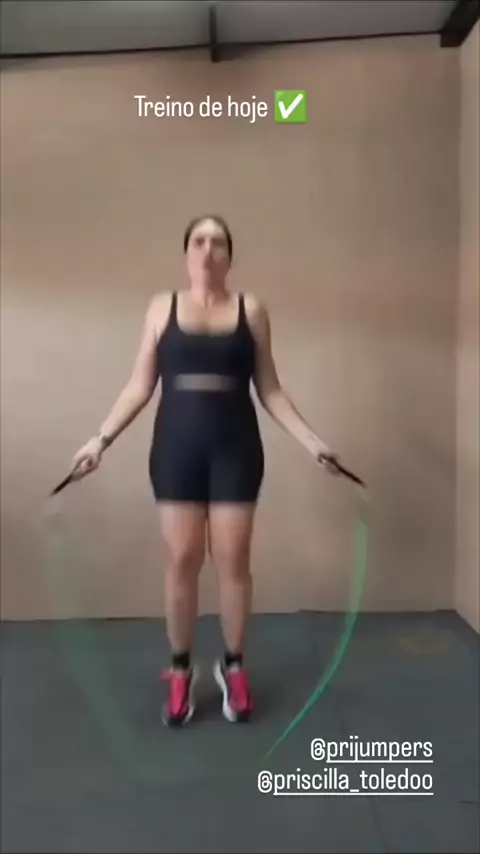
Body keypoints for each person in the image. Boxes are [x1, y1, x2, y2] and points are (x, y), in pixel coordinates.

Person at [70, 215, 341, 727]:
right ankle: (180, 669)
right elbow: (139, 386)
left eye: (218, 241)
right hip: (177, 451)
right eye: (199, 240)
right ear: (187, 253)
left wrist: (312, 443)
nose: (208, 248)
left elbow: (271, 389)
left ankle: (232, 666)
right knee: (182, 559)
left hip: (236, 451)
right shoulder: (161, 308)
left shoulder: (251, 310)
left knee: (233, 560)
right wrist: (99, 440)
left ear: (229, 256)